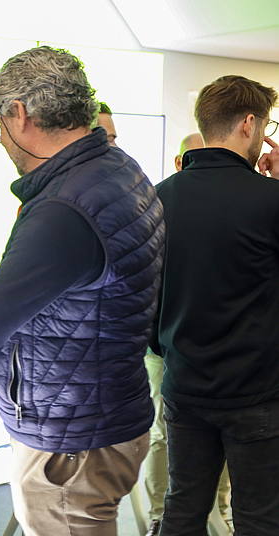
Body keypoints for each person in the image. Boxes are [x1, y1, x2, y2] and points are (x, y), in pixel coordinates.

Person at [0, 46, 164, 536]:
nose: (2, 139)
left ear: (20, 114)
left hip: (71, 444)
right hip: (105, 414)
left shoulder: (65, 208)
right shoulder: (118, 168)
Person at [152, 74, 279, 536]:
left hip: (183, 384)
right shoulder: (270, 199)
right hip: (256, 393)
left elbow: (148, 291)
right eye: (266, 125)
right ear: (248, 124)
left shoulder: (160, 196)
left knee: (182, 508)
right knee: (259, 518)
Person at [144, 131, 233, 536]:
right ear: (180, 162)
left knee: (225, 434)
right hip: (164, 345)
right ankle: (159, 515)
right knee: (163, 434)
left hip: (214, 347)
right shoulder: (157, 202)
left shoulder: (229, 203)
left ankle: (221, 510)